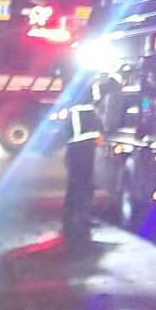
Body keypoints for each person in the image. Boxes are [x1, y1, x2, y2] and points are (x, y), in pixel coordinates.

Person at [61, 89, 103, 249]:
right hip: (82, 148)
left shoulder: (75, 101)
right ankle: (78, 225)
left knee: (77, 187)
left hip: (78, 147)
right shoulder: (85, 102)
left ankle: (74, 224)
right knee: (81, 187)